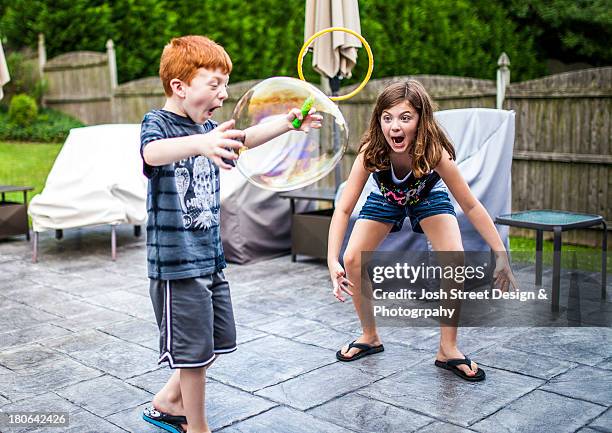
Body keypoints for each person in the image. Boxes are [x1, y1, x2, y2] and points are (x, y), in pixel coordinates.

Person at [140, 35, 321, 433]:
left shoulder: (209, 127)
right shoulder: (159, 123)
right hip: (176, 265)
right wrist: (200, 143)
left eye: (226, 84)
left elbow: (247, 137)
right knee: (192, 355)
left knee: (212, 344)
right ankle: (196, 426)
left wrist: (288, 123)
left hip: (209, 256)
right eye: (215, 83)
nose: (224, 93)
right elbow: (152, 154)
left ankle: (168, 401)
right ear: (180, 86)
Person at [327, 80, 517, 382]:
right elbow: (344, 209)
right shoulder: (371, 153)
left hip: (427, 197)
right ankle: (369, 336)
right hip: (387, 198)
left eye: (405, 117)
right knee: (352, 260)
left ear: (421, 119)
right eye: (387, 117)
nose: (394, 126)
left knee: (454, 258)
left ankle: (448, 348)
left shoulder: (434, 152)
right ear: (379, 120)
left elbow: (470, 205)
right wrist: (332, 260)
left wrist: (501, 253)